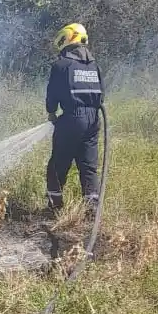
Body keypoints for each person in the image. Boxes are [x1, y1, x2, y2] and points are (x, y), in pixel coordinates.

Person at [44, 22, 105, 214]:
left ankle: (55, 206)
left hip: (72, 119)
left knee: (57, 165)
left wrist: (52, 112)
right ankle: (91, 209)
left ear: (68, 38)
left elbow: (52, 94)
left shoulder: (61, 65)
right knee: (88, 167)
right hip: (94, 120)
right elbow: (101, 95)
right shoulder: (94, 65)